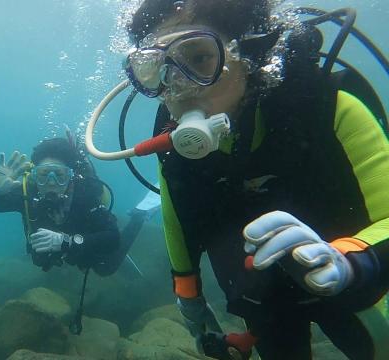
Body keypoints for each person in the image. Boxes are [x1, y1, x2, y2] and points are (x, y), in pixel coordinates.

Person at [112, 0, 389, 359]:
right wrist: (188, 295)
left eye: (198, 58)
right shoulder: (175, 148)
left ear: (253, 52)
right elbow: (177, 219)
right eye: (158, 69)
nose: (178, 87)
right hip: (265, 305)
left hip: (352, 288)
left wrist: (350, 260)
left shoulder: (329, 107)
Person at [0, 136, 122, 275]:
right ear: (34, 175)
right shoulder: (29, 192)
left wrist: (67, 242)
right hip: (54, 252)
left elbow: (113, 237)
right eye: (43, 174)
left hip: (79, 243)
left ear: (71, 176)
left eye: (59, 175)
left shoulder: (84, 193)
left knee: (106, 268)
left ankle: (138, 215)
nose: (51, 182)